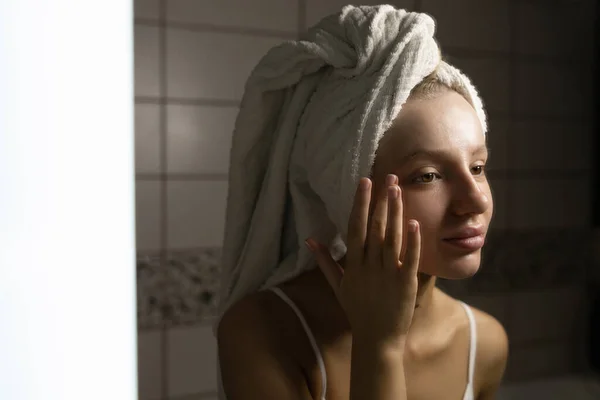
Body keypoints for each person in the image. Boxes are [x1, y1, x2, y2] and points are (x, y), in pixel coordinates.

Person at [216, 5, 508, 400]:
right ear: (347, 190)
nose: (474, 201)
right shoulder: (264, 334)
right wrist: (379, 345)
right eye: (427, 176)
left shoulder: (485, 343)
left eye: (477, 166)